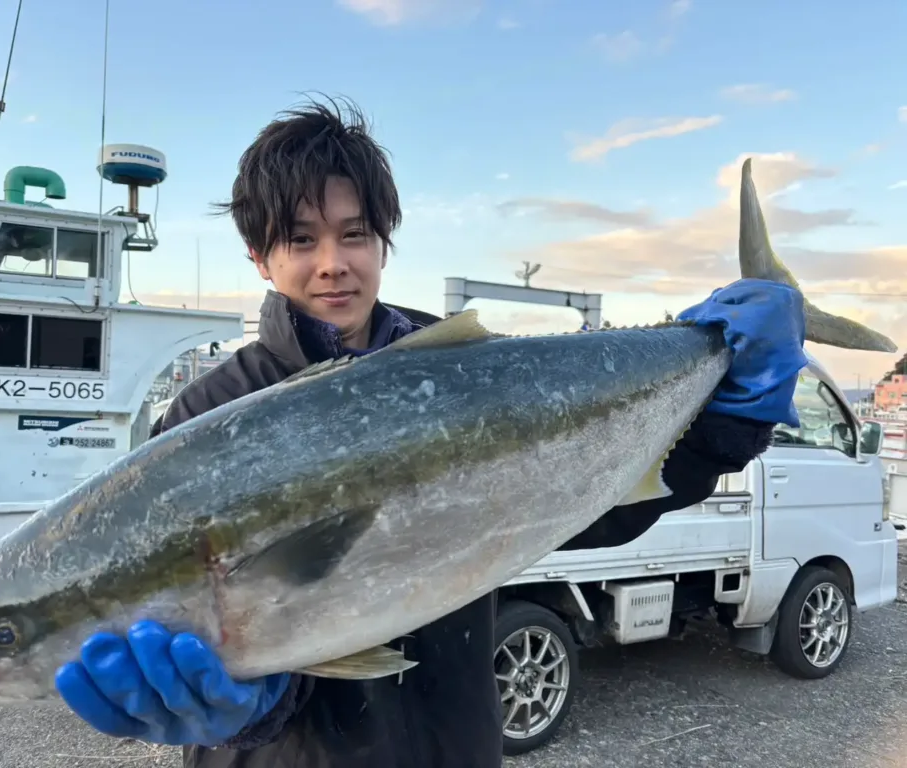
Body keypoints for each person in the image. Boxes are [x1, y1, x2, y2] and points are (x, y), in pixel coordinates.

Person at [54, 96, 808, 768]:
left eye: (354, 234)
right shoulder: (210, 413)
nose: (332, 265)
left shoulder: (463, 366)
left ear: (384, 240)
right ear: (259, 256)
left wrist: (726, 428)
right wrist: (252, 709)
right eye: (300, 240)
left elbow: (592, 511)